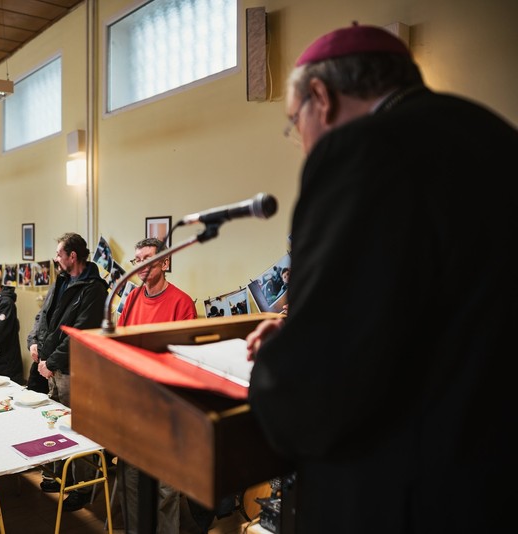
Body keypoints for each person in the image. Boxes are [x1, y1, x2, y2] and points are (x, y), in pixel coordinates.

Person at [244, 24, 518, 534]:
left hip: (407, 497)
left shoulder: (358, 150)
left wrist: (278, 365)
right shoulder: (495, 134)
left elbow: (319, 390)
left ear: (321, 98)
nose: (301, 143)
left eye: (293, 123)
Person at [115, 238, 199, 534]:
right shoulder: (132, 298)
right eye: (136, 260)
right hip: (133, 403)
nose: (140, 266)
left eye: (148, 259)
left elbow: (188, 360)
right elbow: (121, 344)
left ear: (165, 263)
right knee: (131, 482)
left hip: (167, 407)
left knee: (166, 488)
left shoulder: (182, 303)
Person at [26, 232, 109, 512]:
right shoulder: (62, 280)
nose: (56, 259)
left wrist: (52, 362)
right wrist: (34, 341)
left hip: (74, 369)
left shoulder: (93, 288)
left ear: (73, 256)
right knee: (55, 424)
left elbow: (80, 334)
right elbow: (44, 314)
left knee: (78, 430)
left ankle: (81, 489)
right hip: (51, 366)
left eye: (59, 254)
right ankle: (61, 476)